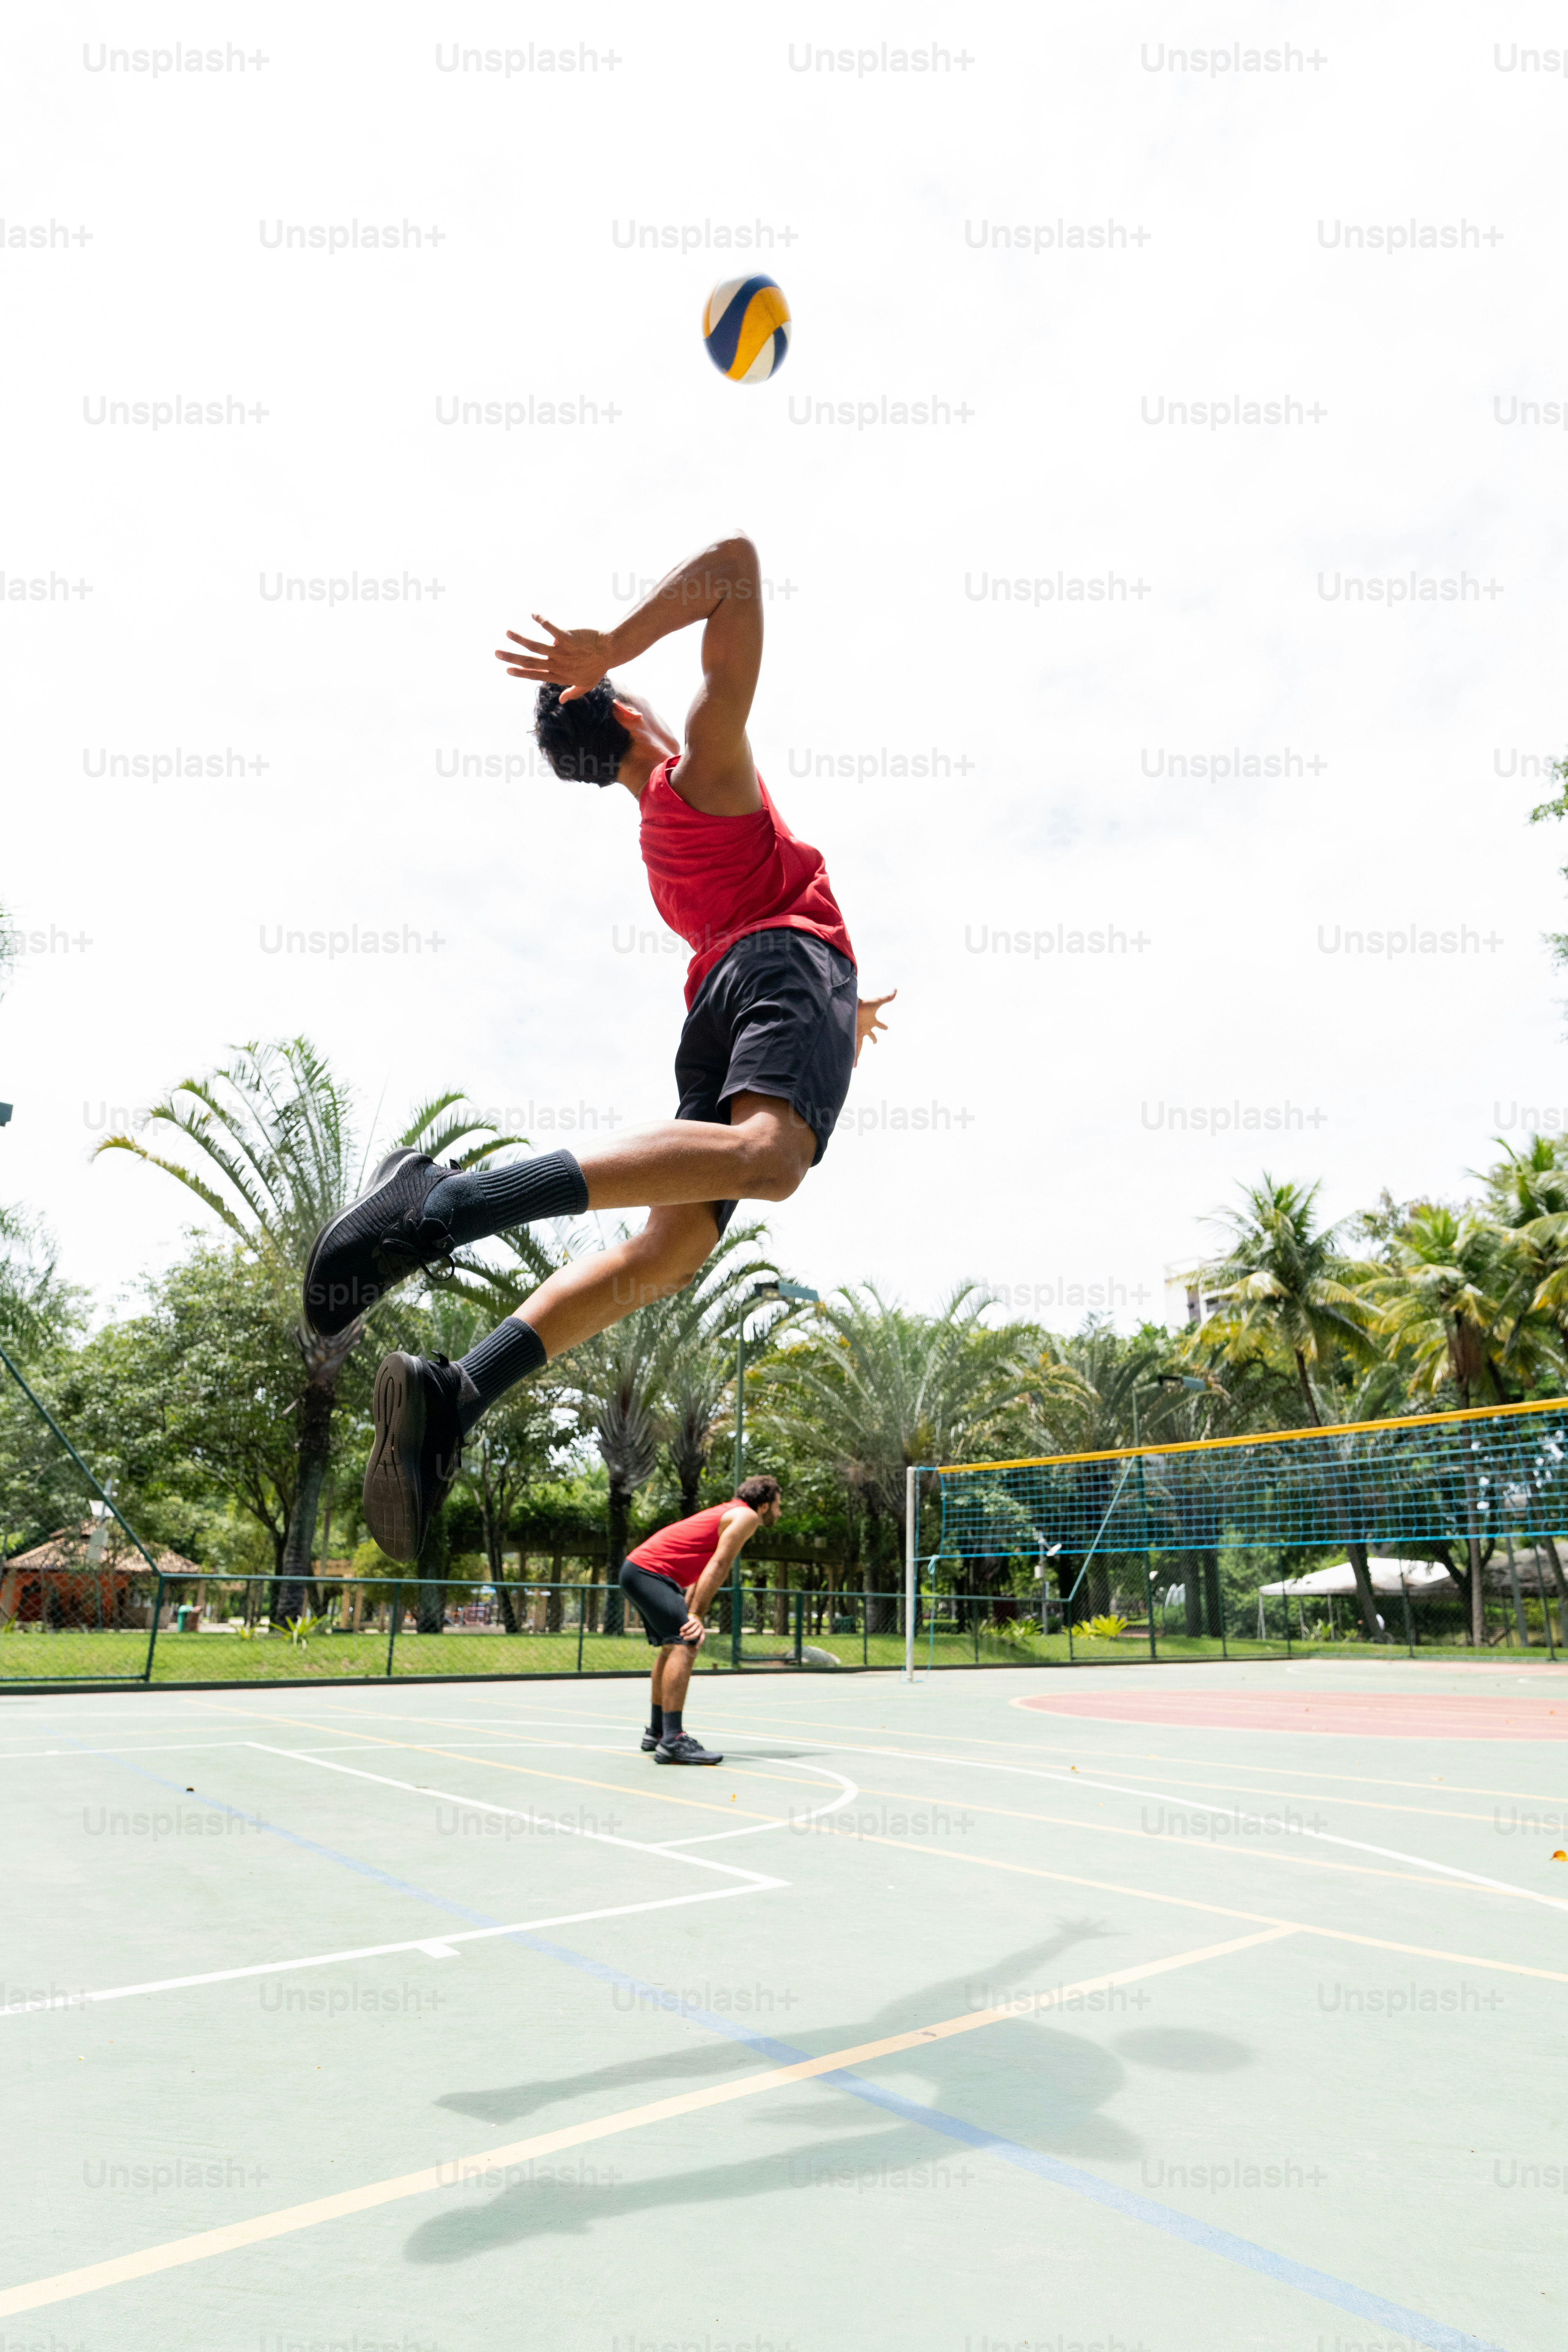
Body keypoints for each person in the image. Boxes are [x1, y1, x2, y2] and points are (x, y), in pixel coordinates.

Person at [301, 534, 893, 1565]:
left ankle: (457, 1393)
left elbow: (752, 922)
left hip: (731, 993)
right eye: (634, 692)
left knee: (667, 1254)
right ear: (624, 714)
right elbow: (739, 566)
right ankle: (441, 1205)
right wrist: (610, 644)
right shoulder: (704, 767)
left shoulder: (663, 838)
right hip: (776, 975)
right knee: (772, 1161)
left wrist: (832, 1008)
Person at [620, 1475, 784, 1765]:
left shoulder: (729, 1512)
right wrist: (694, 1616)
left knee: (673, 1645)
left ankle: (657, 1732)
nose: (779, 1513)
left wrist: (689, 1609)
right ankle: (673, 1741)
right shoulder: (746, 1517)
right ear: (763, 1505)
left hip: (639, 1571)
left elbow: (705, 1568)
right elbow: (720, 1565)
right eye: (777, 1506)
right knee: (686, 1641)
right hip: (651, 1573)